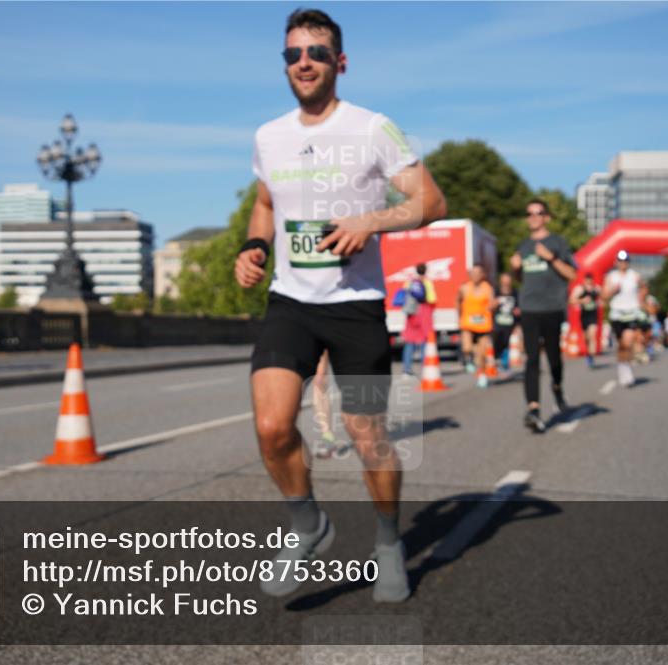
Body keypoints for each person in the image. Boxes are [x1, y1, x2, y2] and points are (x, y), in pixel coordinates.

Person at [235, 9, 446, 603]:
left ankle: (386, 542)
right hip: (291, 301)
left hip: (357, 304)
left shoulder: (373, 128)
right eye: (293, 54)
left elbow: (431, 200)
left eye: (317, 53)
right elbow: (265, 203)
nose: (304, 62)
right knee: (273, 426)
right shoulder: (268, 136)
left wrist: (371, 221)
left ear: (340, 63)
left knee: (367, 434)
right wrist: (254, 246)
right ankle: (308, 526)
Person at [511, 199, 577, 433]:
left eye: (538, 213)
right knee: (531, 359)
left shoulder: (557, 242)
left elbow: (571, 273)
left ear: (546, 217)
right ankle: (534, 409)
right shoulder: (524, 245)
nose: (534, 217)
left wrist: (551, 258)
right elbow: (521, 280)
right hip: (529, 308)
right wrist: (516, 268)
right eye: (529, 214)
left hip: (552, 308)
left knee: (554, 358)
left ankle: (557, 387)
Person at [602, 250, 645, 387]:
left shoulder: (635, 276)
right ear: (616, 262)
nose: (623, 263)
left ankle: (628, 368)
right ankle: (622, 367)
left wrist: (641, 300)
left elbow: (644, 288)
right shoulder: (611, 277)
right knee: (621, 346)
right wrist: (614, 290)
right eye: (620, 261)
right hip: (617, 314)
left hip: (632, 313)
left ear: (628, 262)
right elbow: (604, 296)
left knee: (628, 341)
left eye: (625, 261)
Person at [458, 264, 495, 388]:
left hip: (483, 324)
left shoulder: (487, 288)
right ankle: (471, 359)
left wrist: (493, 306)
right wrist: (459, 314)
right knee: (467, 348)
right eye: (473, 273)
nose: (475, 275)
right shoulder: (464, 288)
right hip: (468, 323)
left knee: (483, 353)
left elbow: (492, 302)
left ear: (482, 274)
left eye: (478, 273)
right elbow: (458, 300)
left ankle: (482, 375)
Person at [400, 263, 436, 376]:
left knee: (409, 341)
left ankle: (406, 368)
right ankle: (425, 366)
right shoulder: (427, 283)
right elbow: (432, 298)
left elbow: (404, 295)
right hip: (423, 312)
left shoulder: (409, 282)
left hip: (411, 313)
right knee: (424, 340)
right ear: (425, 271)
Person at [569, 272, 601, 368]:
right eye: (587, 279)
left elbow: (603, 297)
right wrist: (582, 301)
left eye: (590, 279)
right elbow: (571, 300)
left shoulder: (597, 289)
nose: (589, 281)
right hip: (584, 315)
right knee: (586, 338)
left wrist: (600, 302)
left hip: (593, 315)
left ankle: (591, 357)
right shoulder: (580, 289)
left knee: (592, 335)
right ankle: (588, 354)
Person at [492, 273, 520, 375]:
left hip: (510, 322)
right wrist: (496, 302)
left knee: (507, 343)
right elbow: (490, 306)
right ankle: (496, 361)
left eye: (507, 280)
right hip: (498, 322)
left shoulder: (515, 292)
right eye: (504, 280)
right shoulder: (496, 291)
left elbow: (518, 308)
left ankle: (505, 364)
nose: (506, 283)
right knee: (497, 342)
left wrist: (517, 312)